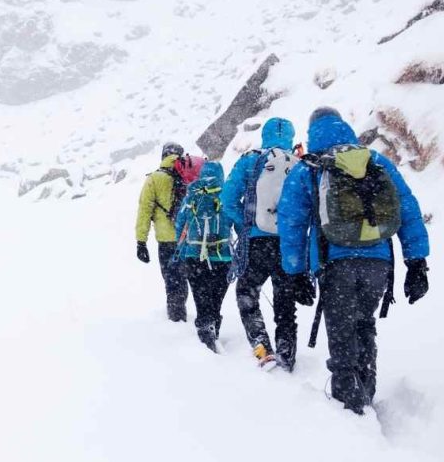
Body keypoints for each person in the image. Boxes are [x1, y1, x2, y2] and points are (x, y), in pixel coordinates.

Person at [278, 107, 430, 414]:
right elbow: (407, 209)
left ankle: (351, 407)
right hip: (378, 264)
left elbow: (291, 223)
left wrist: (295, 273)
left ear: (312, 132)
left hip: (335, 264)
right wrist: (417, 262)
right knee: (363, 323)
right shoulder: (375, 161)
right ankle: (365, 392)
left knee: (342, 332)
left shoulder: (308, 168)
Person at [221, 117, 304, 371]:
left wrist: (245, 224)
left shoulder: (250, 160)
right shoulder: (298, 165)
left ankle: (262, 348)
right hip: (287, 246)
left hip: (255, 244)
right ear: (290, 137)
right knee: (285, 301)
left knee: (247, 295)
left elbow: (227, 199)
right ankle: (286, 353)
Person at [135, 143, 203, 322]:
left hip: (167, 241)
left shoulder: (155, 179)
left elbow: (144, 212)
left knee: (173, 282)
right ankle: (204, 320)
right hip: (190, 238)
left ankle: (177, 320)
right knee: (193, 281)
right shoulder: (191, 174)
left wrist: (141, 242)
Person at [174, 161, 234, 352]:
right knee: (216, 299)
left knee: (201, 298)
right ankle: (213, 327)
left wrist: (183, 252)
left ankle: (205, 333)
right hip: (222, 257)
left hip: (195, 256)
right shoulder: (227, 194)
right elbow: (238, 221)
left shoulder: (192, 195)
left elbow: (180, 225)